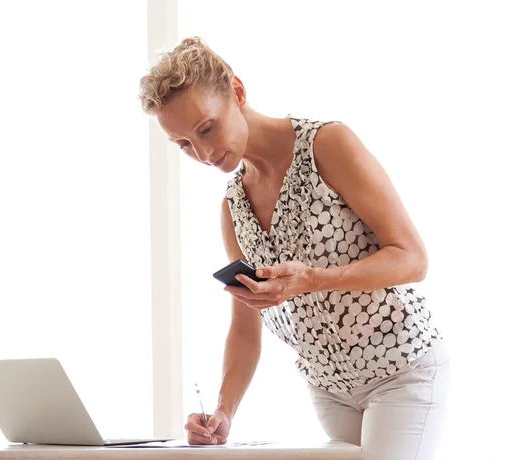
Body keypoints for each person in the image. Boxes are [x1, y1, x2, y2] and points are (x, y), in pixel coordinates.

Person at [138, 37, 450, 460]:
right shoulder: (233, 207)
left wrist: (314, 280)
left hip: (401, 368)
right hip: (329, 390)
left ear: (238, 91)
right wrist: (223, 413)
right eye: (184, 144)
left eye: (206, 128)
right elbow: (246, 328)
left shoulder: (328, 145)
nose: (204, 152)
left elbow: (413, 258)